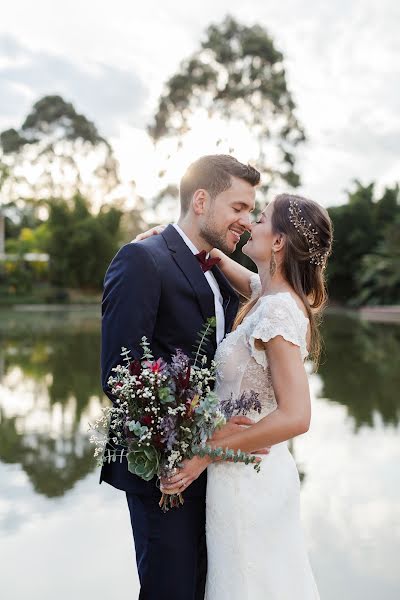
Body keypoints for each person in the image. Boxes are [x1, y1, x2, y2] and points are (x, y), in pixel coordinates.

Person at [151, 193, 333, 599]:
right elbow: (239, 273)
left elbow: (296, 417)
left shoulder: (278, 311)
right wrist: (180, 238)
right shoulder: (267, 295)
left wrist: (207, 452)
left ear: (280, 241)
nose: (251, 222)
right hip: (238, 477)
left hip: (251, 479)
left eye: (262, 217)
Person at [100, 154, 264, 600]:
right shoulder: (142, 259)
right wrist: (203, 436)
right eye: (238, 208)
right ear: (200, 199)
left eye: (251, 212)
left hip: (217, 474)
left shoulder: (221, 272)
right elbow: (121, 376)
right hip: (163, 474)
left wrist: (217, 447)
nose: (246, 222)